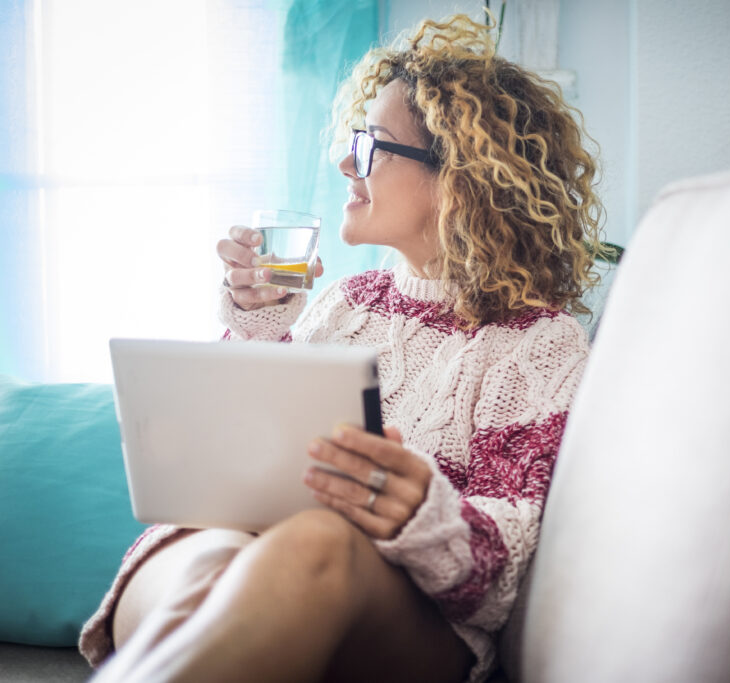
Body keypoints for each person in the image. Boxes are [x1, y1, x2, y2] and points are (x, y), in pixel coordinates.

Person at [79, 13, 607, 683]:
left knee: (317, 541)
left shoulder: (537, 344)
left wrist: (424, 512)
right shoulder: (348, 302)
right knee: (209, 558)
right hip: (241, 559)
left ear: (460, 180)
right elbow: (240, 444)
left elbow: (506, 566)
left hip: (395, 615)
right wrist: (256, 321)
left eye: (370, 147)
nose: (341, 162)